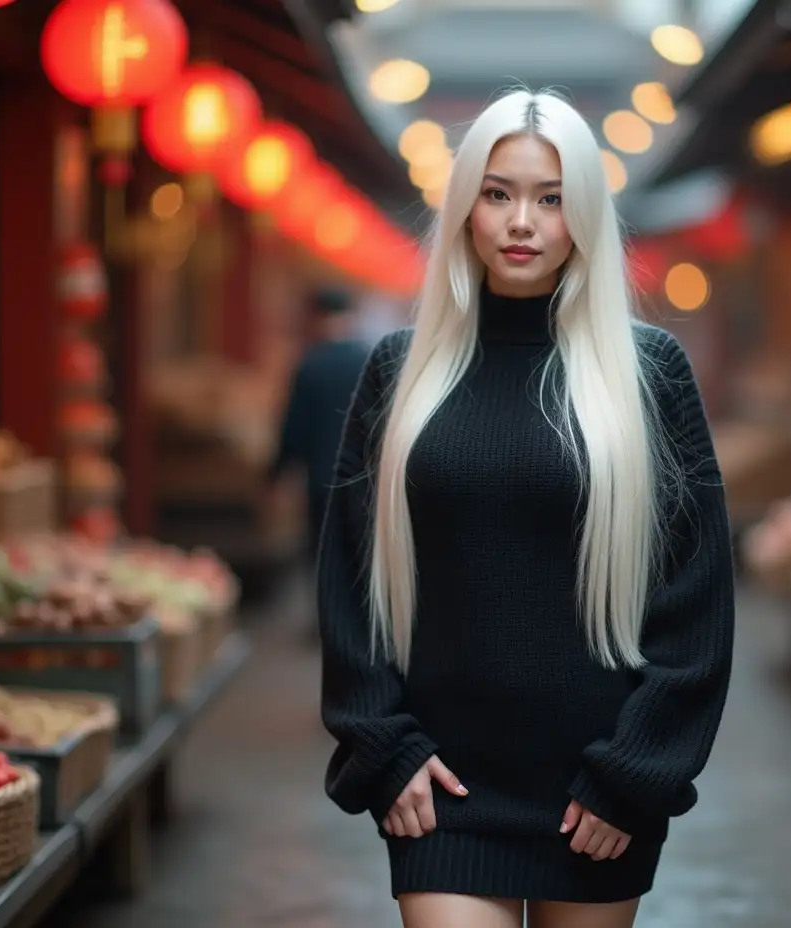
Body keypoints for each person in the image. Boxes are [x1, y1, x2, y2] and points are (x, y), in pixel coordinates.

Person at [317, 88, 736, 928]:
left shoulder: (649, 373)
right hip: (442, 783)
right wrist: (383, 747)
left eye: (551, 199)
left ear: (582, 215)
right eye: (498, 193)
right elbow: (349, 582)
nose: (522, 221)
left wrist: (637, 773)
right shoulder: (399, 375)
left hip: (597, 789)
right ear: (466, 207)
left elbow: (696, 602)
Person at [267, 288, 370, 562]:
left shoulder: (310, 365)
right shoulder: (367, 361)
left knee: (324, 557)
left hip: (322, 478)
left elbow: (294, 427)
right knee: (361, 557)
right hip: (365, 477)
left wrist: (275, 474)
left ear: (317, 317)